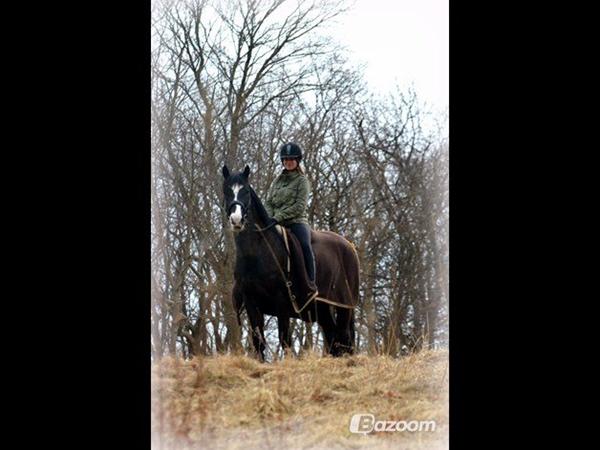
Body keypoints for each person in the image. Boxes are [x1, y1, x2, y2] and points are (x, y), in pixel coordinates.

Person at [265, 142, 318, 293]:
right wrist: (270, 217)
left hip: (296, 222)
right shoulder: (277, 181)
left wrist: (278, 217)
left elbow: (299, 206)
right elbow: (268, 201)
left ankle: (310, 282)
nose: (288, 162)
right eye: (286, 159)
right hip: (275, 222)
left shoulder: (302, 181)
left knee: (305, 246)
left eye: (291, 159)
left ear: (297, 161)